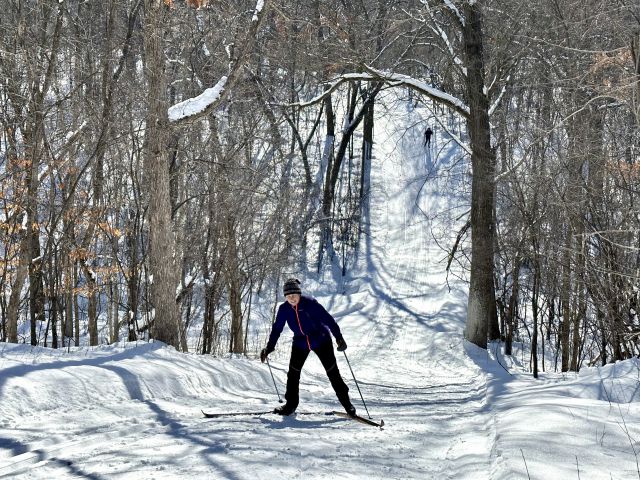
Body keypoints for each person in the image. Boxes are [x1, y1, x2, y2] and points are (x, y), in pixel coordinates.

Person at [260, 278, 356, 417]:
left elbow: (328, 319)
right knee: (293, 374)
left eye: (294, 295)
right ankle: (290, 406)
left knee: (332, 373)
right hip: (300, 342)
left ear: (299, 294)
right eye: (288, 296)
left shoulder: (310, 304)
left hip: (321, 339)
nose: (291, 298)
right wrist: (269, 347)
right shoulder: (284, 309)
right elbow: (277, 329)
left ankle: (348, 405)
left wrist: (338, 337)